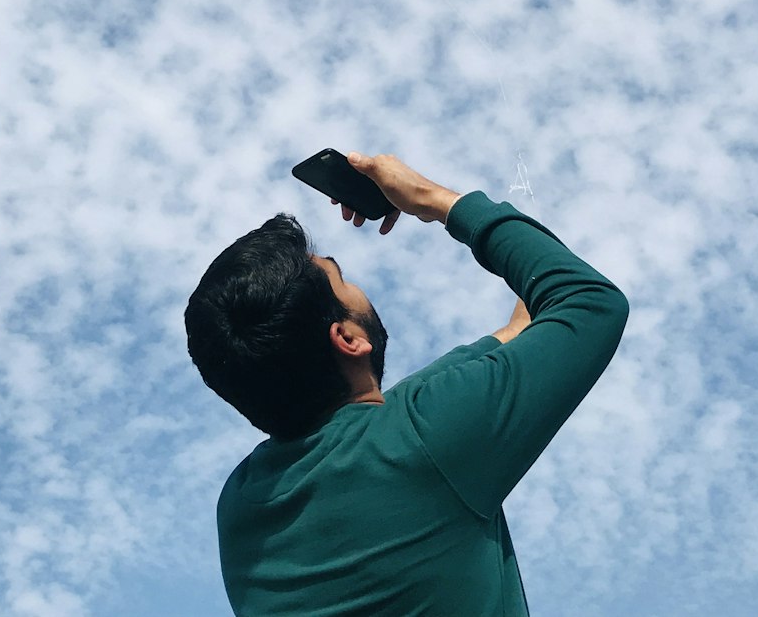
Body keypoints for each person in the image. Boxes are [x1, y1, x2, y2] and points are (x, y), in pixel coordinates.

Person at [185, 151, 629, 616]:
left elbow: (515, 335)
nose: (356, 286)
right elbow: (589, 301)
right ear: (348, 338)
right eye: (341, 278)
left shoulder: (239, 507)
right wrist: (430, 199)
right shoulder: (426, 439)